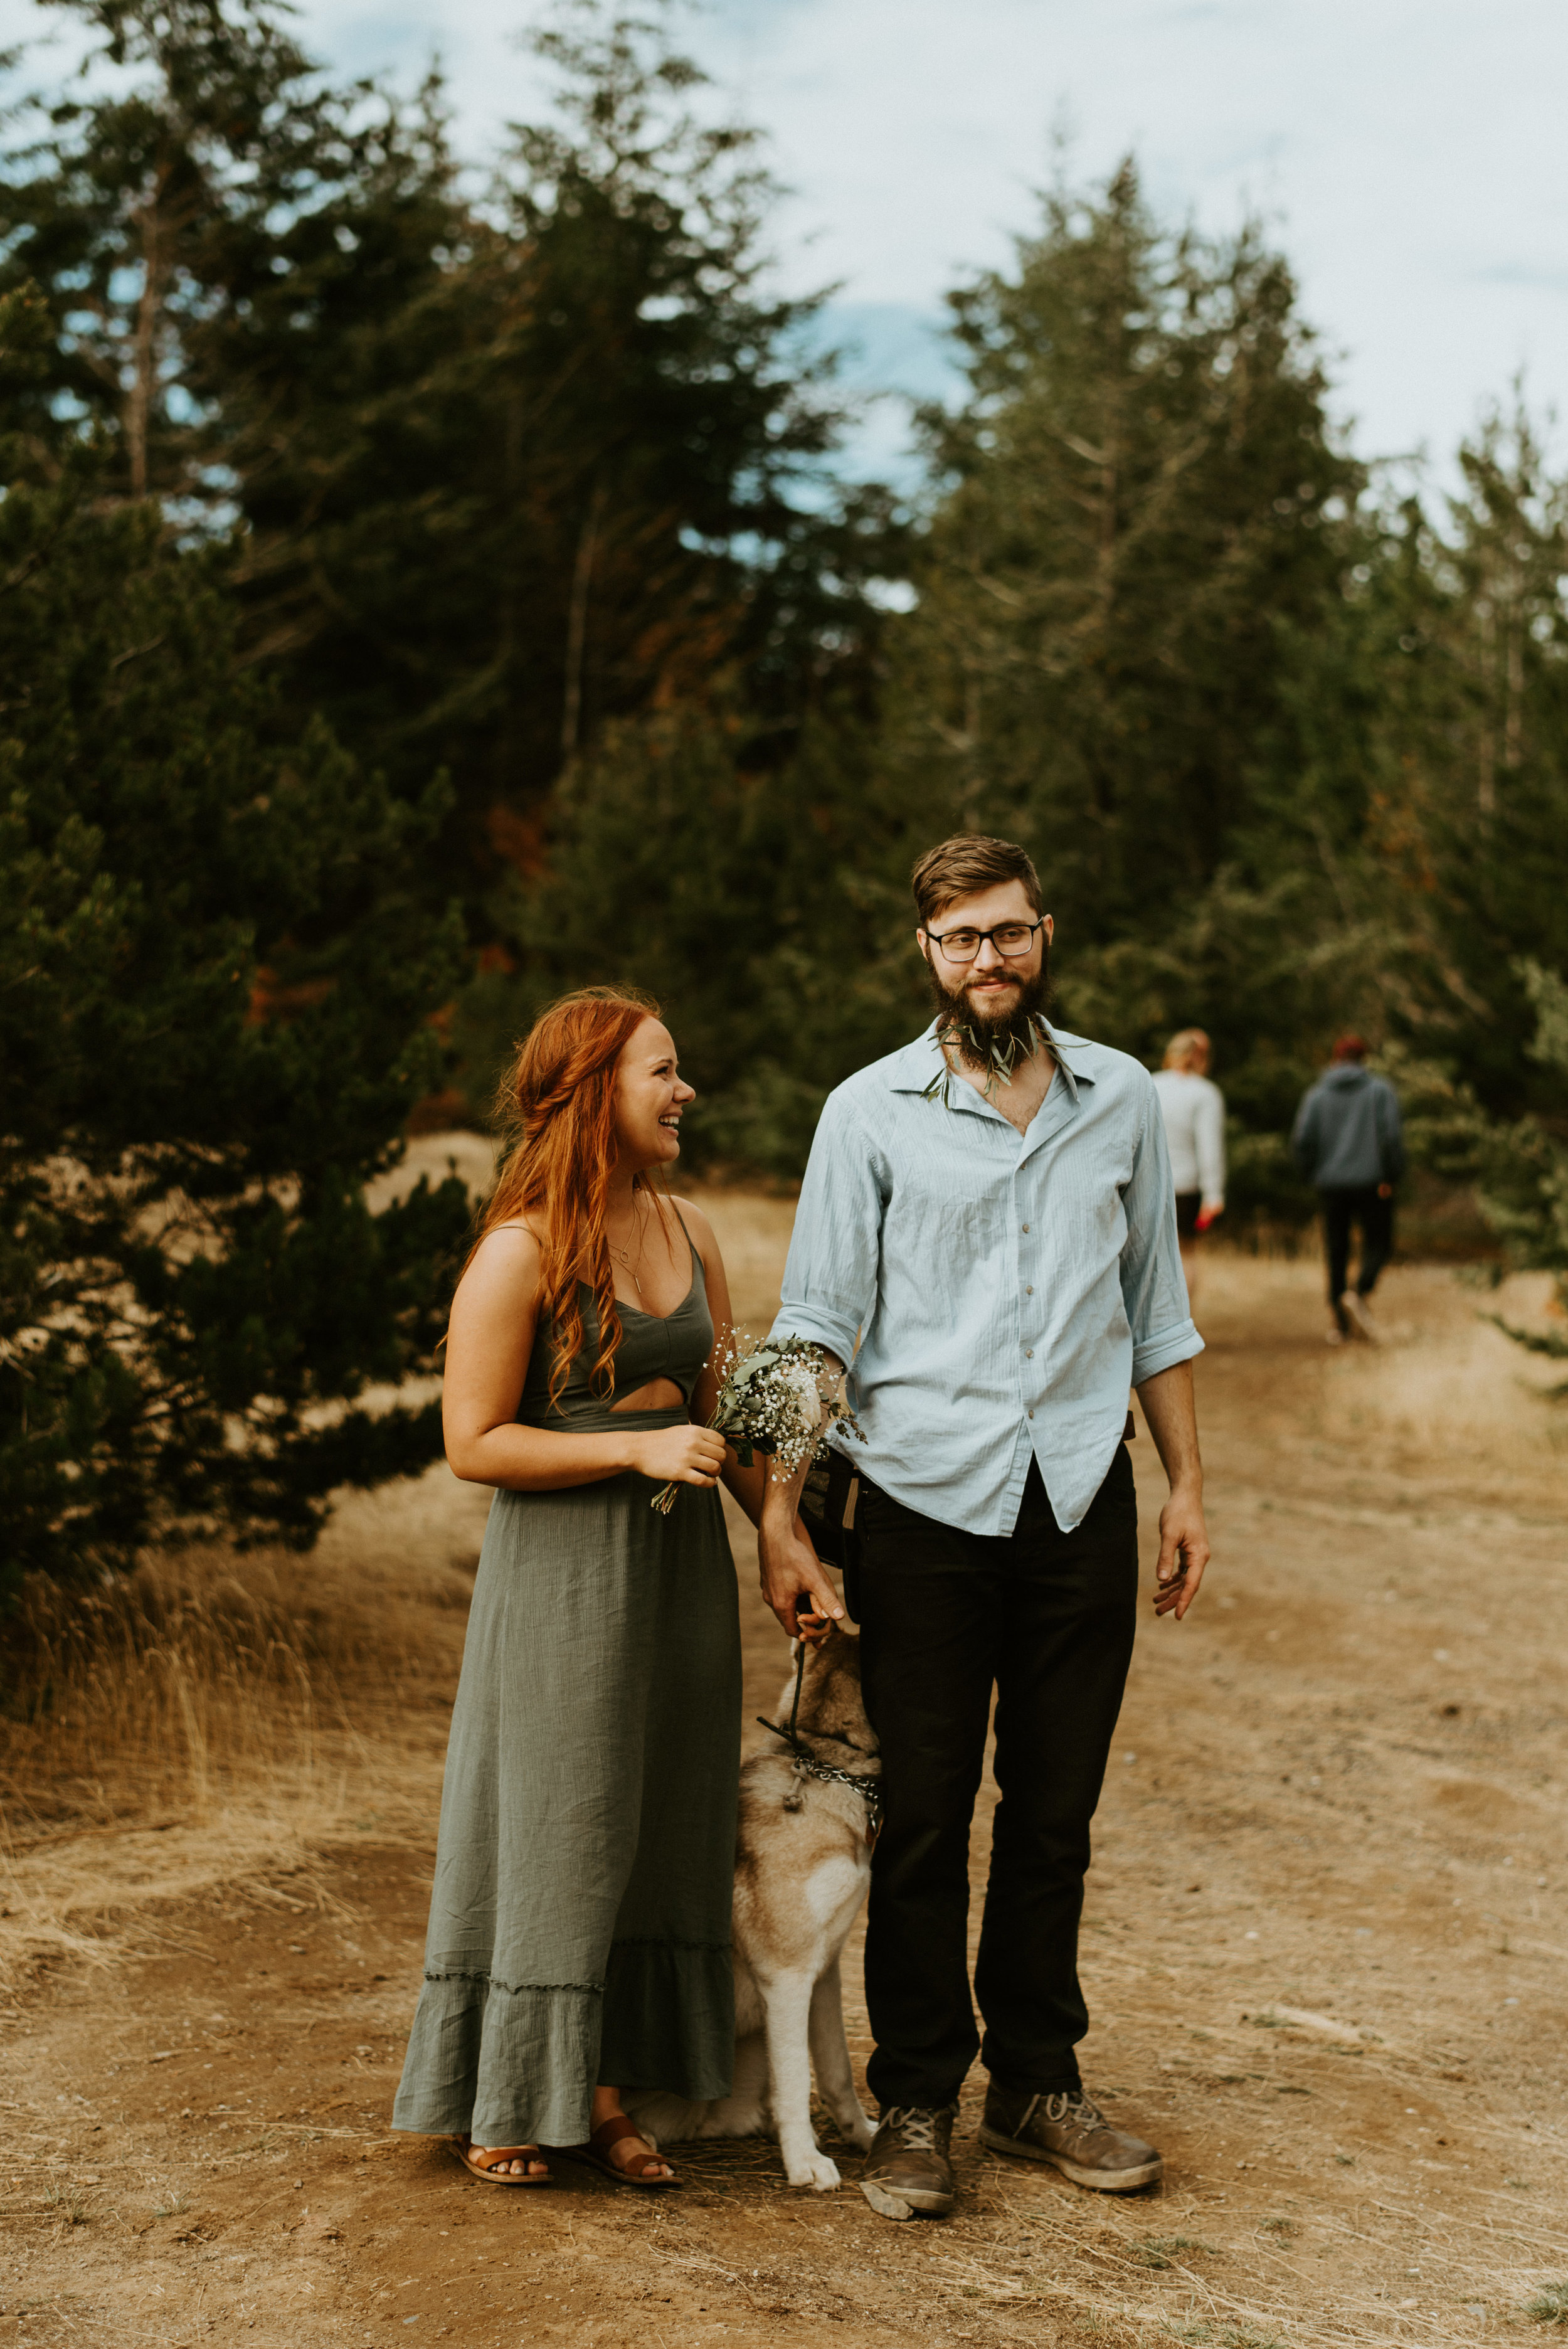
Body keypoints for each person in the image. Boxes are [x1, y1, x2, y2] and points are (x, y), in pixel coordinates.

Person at [756, 834, 1211, 2221]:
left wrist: (1185, 1483)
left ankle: (1032, 2081)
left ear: (1042, 934)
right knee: (924, 1815)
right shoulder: (867, 1112)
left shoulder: (1120, 1096)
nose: (986, 960)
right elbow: (815, 1327)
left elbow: (1155, 1308)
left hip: (1077, 1496)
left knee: (1054, 1812)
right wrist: (780, 1514)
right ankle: (911, 2101)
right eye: (959, 940)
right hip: (922, 1510)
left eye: (1006, 933)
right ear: (926, 955)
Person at [392, 988, 768, 2190]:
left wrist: (787, 1540)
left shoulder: (693, 1231)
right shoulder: (521, 1249)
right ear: (596, 1089)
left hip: (684, 1583)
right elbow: (473, 1441)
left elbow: (732, 1419)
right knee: (561, 1825)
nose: (683, 1091)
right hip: (561, 1581)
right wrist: (631, 1447)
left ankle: (604, 2093)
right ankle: (508, 2092)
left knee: (659, 1826)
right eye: (662, 1070)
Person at [1291, 1035, 1404, 1344]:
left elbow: (1303, 1141)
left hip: (1330, 1184)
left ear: (1335, 1058)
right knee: (1379, 1242)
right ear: (1363, 1058)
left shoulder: (1316, 1095)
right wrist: (1392, 1177)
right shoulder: (1380, 1091)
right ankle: (1358, 1292)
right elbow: (1391, 1137)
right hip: (1373, 1182)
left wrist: (1312, 1174)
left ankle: (1340, 1325)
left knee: (1336, 1250)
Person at [1151, 1030, 1226, 1275]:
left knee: (1149, 1254)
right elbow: (1209, 1147)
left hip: (1149, 1181)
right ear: (1198, 1056)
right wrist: (1213, 1194)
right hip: (1186, 1188)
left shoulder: (1151, 1083)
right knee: (1186, 1253)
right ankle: (1185, 1313)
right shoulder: (1205, 1093)